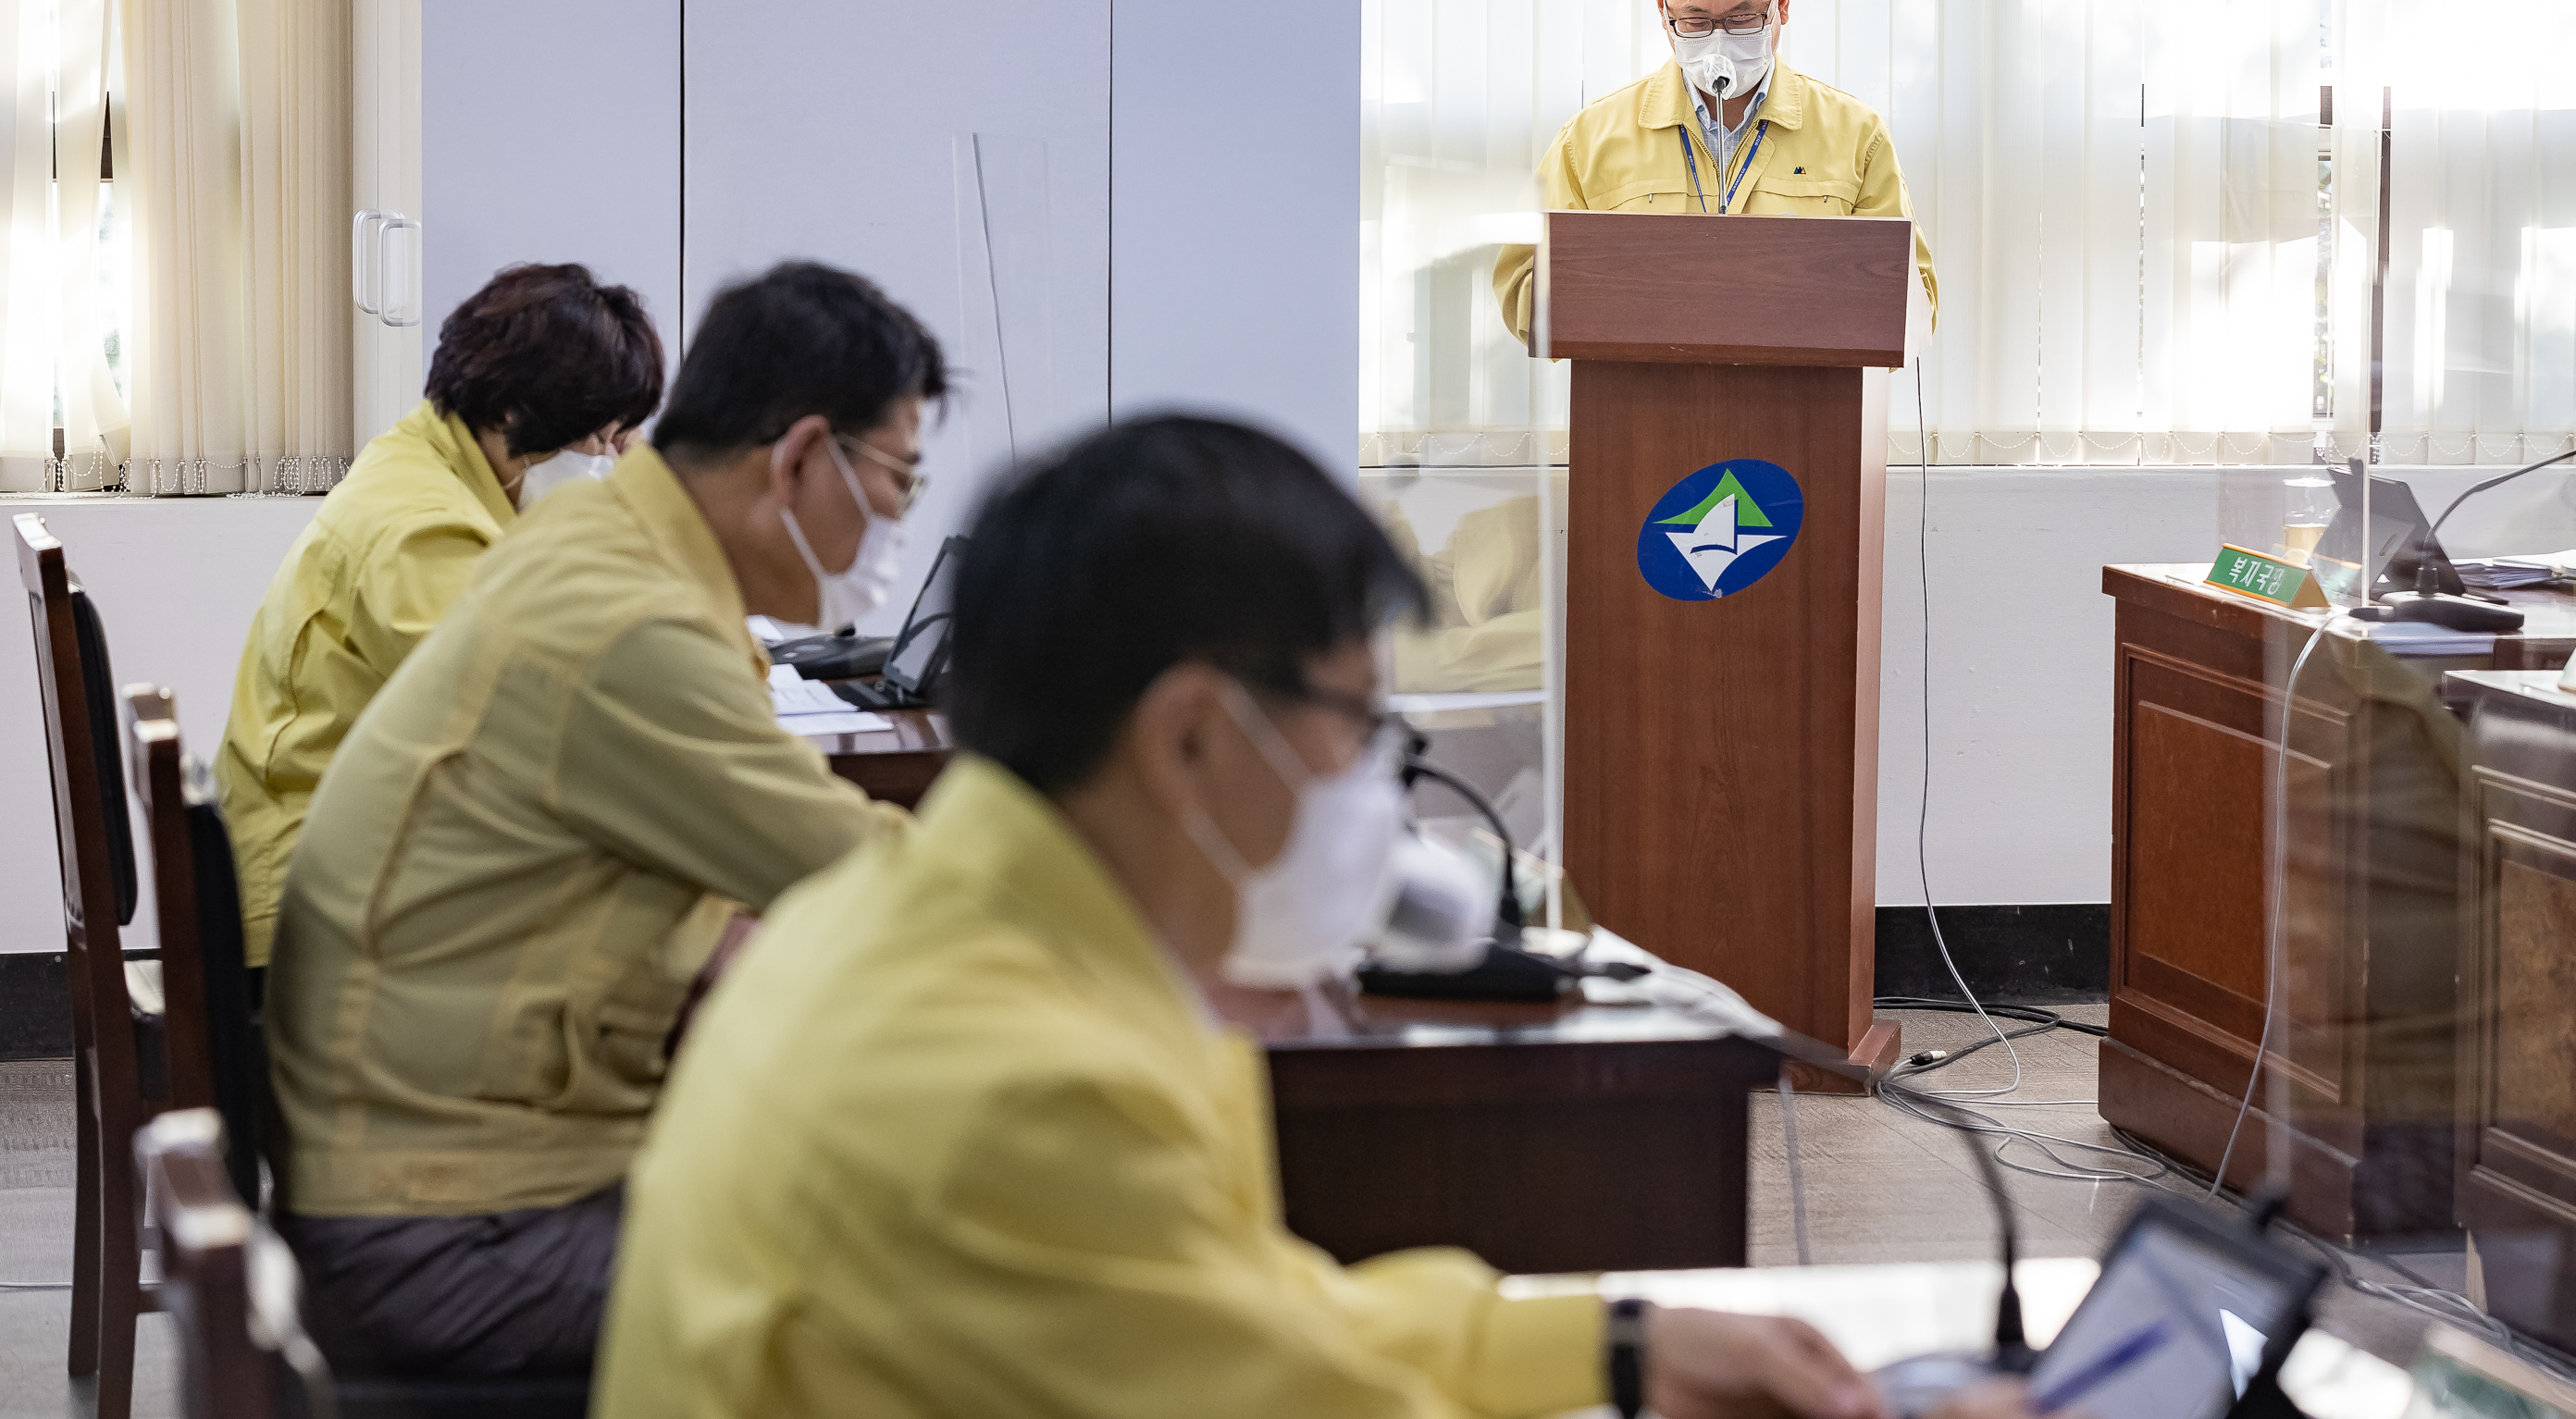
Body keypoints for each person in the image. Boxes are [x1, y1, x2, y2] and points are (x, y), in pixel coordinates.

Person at [598, 416, 2025, 1419]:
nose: (1372, 785)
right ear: (1191, 741)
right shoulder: (1015, 1083)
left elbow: (1253, 1318)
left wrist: (1621, 1345)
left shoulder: (941, 925)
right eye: (1354, 725)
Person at [263, 260, 944, 1377]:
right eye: (902, 483)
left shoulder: (603, 556)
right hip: (449, 1229)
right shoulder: (625, 616)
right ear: (805, 456)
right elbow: (878, 883)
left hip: (430, 1167)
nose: (898, 523)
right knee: (926, 1321)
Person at [216, 262, 663, 969]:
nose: (614, 461)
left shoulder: (431, 460)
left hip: (357, 863)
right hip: (323, 917)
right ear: (516, 414)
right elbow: (540, 734)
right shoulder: (425, 532)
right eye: (603, 439)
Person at [1492, 0, 1938, 343]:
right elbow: (1520, 291)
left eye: (1742, 18)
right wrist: (1640, 288)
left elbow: (1916, 307)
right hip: (1638, 406)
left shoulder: (1857, 135)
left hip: (1805, 407)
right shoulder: (1589, 140)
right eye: (1695, 20)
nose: (1719, 38)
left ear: (1781, 3)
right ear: (1662, 9)